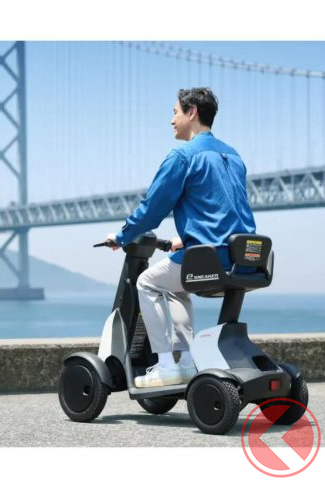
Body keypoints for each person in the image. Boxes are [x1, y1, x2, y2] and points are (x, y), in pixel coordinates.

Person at [106, 87, 256, 388]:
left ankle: (165, 365)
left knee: (147, 282)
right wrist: (187, 240)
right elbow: (224, 210)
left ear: (192, 112)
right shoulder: (234, 156)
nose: (171, 120)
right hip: (244, 257)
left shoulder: (183, 156)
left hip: (211, 257)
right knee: (175, 286)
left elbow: (152, 210)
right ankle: (186, 362)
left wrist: (122, 236)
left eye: (175, 112)